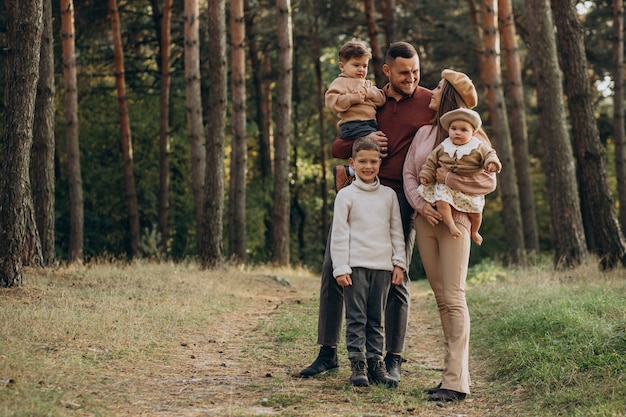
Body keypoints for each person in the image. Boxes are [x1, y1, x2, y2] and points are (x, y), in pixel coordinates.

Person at [299, 41, 436, 382]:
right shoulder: (370, 95)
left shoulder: (428, 102)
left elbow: (463, 128)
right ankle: (328, 353)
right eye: (404, 72)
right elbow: (337, 146)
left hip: (401, 196)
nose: (412, 78)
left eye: (416, 71)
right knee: (335, 265)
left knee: (397, 273)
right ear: (387, 71)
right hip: (359, 193)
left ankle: (392, 359)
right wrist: (370, 141)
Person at [403, 69, 497, 402]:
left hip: (456, 221)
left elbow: (488, 182)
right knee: (441, 298)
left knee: (454, 296)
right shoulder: (426, 133)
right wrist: (420, 205)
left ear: (450, 95)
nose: (432, 90)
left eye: (439, 87)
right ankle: (448, 375)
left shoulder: (474, 137)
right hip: (426, 220)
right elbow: (410, 175)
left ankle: (457, 381)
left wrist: (447, 179)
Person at [331, 137, 406, 387]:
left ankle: (376, 363)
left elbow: (397, 231)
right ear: (352, 163)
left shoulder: (388, 196)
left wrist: (399, 263)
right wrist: (341, 267)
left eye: (373, 162)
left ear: (380, 163)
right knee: (356, 317)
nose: (368, 166)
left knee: (376, 319)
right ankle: (358, 364)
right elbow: (339, 234)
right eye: (362, 161)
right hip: (355, 268)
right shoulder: (346, 196)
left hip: (383, 268)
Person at [418, 108, 501, 246]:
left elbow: (490, 154)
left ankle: (475, 231)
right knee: (441, 202)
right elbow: (431, 161)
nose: (457, 132)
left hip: (467, 187)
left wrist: (491, 163)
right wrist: (426, 175)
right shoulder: (444, 146)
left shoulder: (478, 146)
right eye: (453, 128)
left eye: (463, 130)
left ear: (473, 133)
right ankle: (451, 225)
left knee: (476, 212)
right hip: (446, 187)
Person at [325, 40, 386, 142]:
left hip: (371, 123)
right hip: (353, 125)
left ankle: (374, 156)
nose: (361, 69)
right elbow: (332, 102)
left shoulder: (367, 84)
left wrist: (369, 93)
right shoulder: (341, 82)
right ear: (342, 66)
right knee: (376, 142)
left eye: (364, 66)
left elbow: (381, 99)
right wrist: (352, 98)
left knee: (380, 142)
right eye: (356, 65)